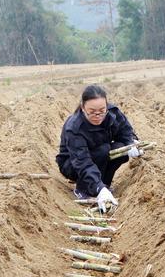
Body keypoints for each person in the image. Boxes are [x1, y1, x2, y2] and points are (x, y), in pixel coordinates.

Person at [56, 84, 142, 212]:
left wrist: (131, 144)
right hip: (73, 165)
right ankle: (84, 189)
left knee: (121, 150)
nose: (98, 116)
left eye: (102, 111)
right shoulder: (74, 128)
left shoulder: (112, 113)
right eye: (92, 112)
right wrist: (98, 188)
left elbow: (125, 131)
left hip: (99, 153)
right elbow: (82, 163)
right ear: (82, 108)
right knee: (103, 150)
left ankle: (104, 184)